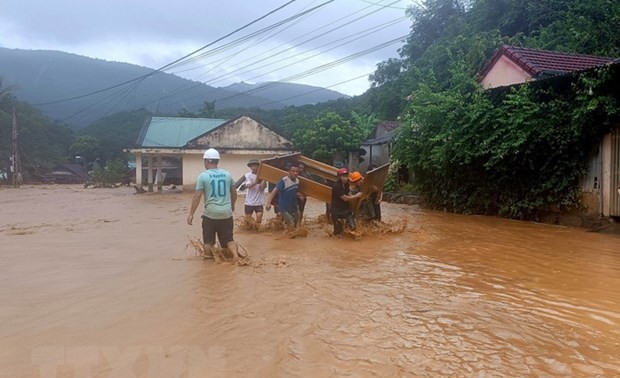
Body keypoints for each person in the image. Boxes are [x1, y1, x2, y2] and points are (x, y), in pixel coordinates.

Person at [187, 148, 239, 260]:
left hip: (210, 214)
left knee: (208, 241)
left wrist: (191, 213)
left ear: (207, 161)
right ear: (217, 161)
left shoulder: (203, 176)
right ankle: (235, 257)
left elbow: (197, 196)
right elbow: (234, 193)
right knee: (229, 240)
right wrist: (232, 205)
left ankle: (209, 261)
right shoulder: (227, 174)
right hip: (226, 213)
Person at [265, 164, 305, 230]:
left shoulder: (297, 181)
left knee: (297, 223)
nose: (295, 173)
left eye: (297, 171)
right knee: (291, 223)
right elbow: (274, 191)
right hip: (284, 207)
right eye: (293, 171)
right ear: (289, 171)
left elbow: (294, 191)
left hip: (294, 206)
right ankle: (288, 237)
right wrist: (268, 202)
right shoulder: (284, 181)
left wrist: (300, 195)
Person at [330, 167, 363, 237]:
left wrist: (353, 195)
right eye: (343, 177)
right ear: (339, 177)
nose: (345, 178)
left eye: (346, 176)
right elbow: (345, 198)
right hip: (336, 211)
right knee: (337, 234)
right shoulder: (336, 186)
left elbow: (348, 193)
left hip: (346, 210)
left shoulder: (347, 184)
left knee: (353, 227)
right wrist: (356, 196)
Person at [240, 159, 266, 226]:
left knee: (259, 218)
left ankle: (256, 231)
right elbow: (248, 186)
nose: (253, 167)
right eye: (251, 166)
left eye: (255, 165)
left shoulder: (263, 176)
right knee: (247, 221)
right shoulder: (247, 175)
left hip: (259, 202)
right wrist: (256, 181)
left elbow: (262, 188)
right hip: (249, 202)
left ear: (258, 166)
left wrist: (263, 179)